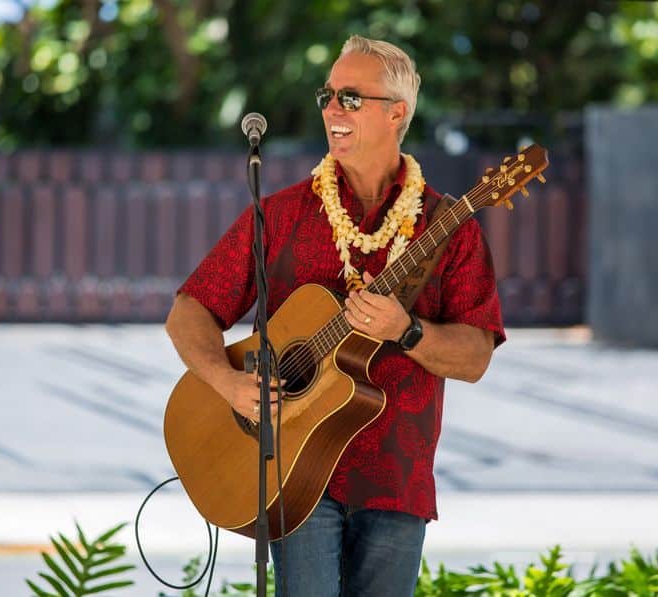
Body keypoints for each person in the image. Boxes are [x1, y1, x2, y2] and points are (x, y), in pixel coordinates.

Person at [165, 34, 505, 597]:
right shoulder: (281, 214)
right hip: (290, 472)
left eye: (350, 98)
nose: (330, 110)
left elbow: (474, 358)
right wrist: (227, 382)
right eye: (327, 96)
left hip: (396, 475)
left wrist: (408, 331)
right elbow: (189, 309)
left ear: (396, 113)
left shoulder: (452, 227)